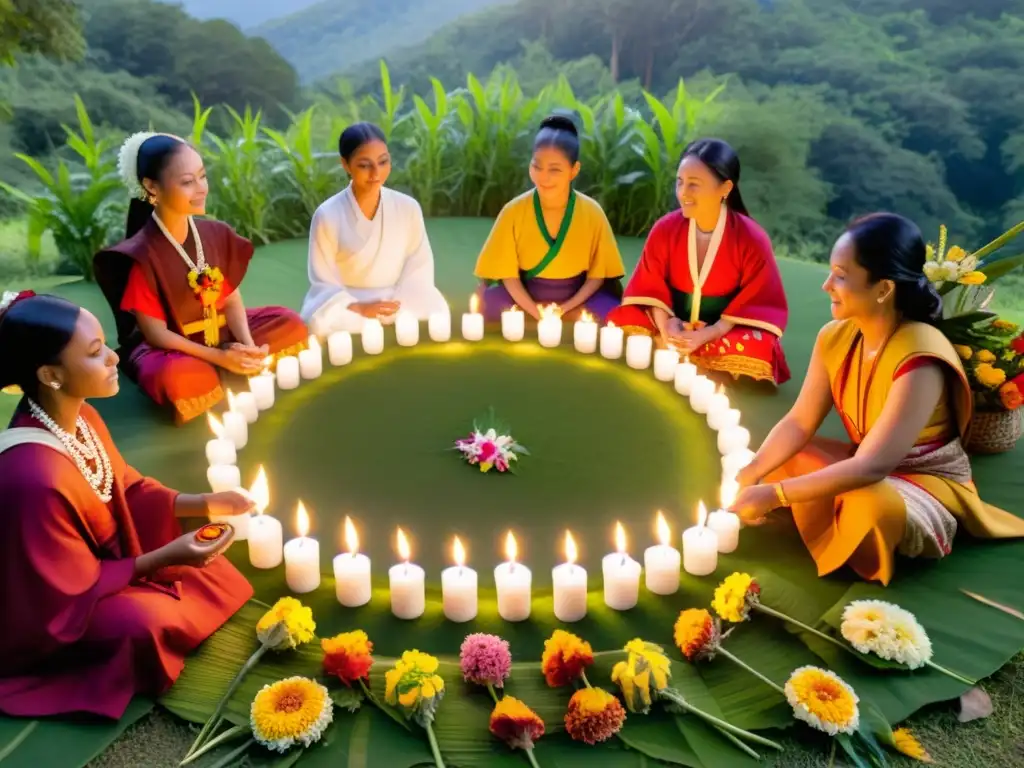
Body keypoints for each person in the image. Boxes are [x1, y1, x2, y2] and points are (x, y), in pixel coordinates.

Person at [728, 213, 1024, 585]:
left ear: (883, 288)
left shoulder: (920, 356)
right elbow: (799, 422)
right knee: (785, 458)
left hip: (921, 480)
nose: (825, 286)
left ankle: (839, 517)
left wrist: (775, 495)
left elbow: (872, 467)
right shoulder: (833, 336)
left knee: (870, 506)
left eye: (840, 275)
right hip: (865, 462)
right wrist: (755, 470)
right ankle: (819, 503)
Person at [0, 291, 255, 718]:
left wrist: (204, 502)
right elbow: (61, 596)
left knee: (202, 574)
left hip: (98, 567)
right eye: (97, 352)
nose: (116, 359)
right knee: (144, 623)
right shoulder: (34, 478)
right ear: (51, 375)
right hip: (52, 614)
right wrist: (165, 557)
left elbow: (126, 490)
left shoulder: (81, 416)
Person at [94, 132, 309, 424]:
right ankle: (218, 367)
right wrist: (220, 358)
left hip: (219, 331)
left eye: (202, 177)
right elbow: (156, 334)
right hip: (173, 348)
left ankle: (233, 361)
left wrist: (249, 347)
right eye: (187, 182)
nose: (201, 189)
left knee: (289, 323)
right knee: (178, 380)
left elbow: (231, 299)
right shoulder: (141, 254)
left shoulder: (215, 233)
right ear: (151, 187)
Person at [608, 138, 790, 384]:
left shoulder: (751, 238)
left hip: (723, 326)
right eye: (680, 182)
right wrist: (666, 327)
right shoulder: (665, 229)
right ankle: (680, 347)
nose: (683, 193)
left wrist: (710, 332)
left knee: (761, 347)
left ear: (725, 188)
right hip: (672, 317)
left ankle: (678, 348)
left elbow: (758, 298)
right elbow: (649, 284)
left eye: (694, 185)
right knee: (626, 316)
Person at [300, 122, 448, 336]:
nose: (376, 173)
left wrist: (397, 302)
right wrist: (359, 307)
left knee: (434, 306)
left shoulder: (408, 207)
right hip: (348, 300)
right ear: (345, 164)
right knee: (321, 322)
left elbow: (419, 264)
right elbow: (323, 280)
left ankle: (388, 314)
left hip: (398, 296)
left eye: (383, 162)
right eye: (364, 165)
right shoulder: (327, 215)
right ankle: (364, 315)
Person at [473, 114, 625, 322]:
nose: (543, 177)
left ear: (574, 170)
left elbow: (597, 276)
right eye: (537, 167)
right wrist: (536, 311)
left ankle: (566, 314)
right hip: (525, 294)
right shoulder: (513, 210)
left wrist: (564, 308)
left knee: (617, 312)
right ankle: (558, 316)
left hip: (578, 297)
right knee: (487, 302)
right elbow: (508, 275)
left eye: (554, 169)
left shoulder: (592, 211)